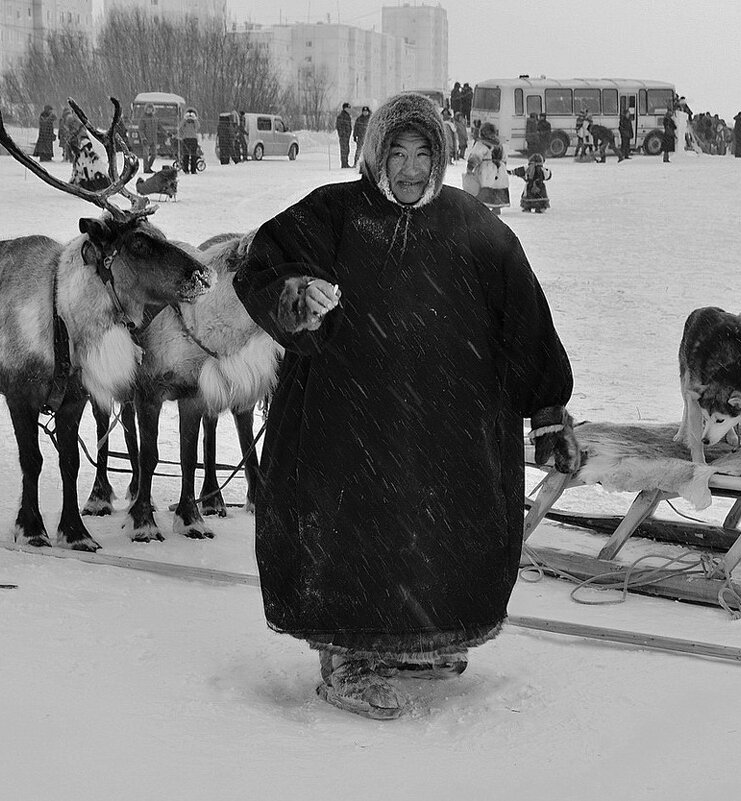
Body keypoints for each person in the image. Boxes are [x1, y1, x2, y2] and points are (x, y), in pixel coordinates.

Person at [230, 91, 578, 720]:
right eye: (398, 153)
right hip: (345, 420)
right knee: (350, 534)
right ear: (375, 157)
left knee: (437, 529)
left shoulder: (472, 223)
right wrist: (296, 296)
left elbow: (524, 318)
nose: (413, 168)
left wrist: (547, 407)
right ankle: (348, 658)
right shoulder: (336, 212)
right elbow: (264, 263)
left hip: (444, 421)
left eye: (424, 153)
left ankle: (420, 639)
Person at [464, 121, 511, 214]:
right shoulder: (499, 144)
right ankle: (497, 207)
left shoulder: (481, 144)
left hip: (487, 169)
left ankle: (482, 206)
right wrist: (502, 167)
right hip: (499, 169)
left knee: (485, 186)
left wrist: (470, 167)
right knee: (498, 186)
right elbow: (504, 158)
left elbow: (475, 156)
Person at [139, 105, 160, 173]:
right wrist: (143, 138)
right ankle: (146, 169)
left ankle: (149, 167)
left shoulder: (155, 118)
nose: (149, 110)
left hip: (153, 140)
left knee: (154, 154)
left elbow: (160, 127)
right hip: (146, 139)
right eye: (148, 109)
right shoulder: (143, 118)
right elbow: (141, 130)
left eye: (150, 109)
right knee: (146, 155)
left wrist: (167, 133)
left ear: (153, 110)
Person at [179, 107, 200, 174]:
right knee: (186, 155)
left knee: (193, 155)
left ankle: (193, 169)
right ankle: (186, 169)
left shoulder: (194, 122)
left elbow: (197, 127)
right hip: (186, 139)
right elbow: (180, 126)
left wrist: (195, 119)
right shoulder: (184, 122)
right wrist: (185, 119)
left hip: (193, 139)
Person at [335, 102, 353, 168]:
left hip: (347, 136)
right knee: (344, 150)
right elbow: (339, 126)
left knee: (347, 149)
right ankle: (344, 164)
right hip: (343, 136)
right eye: (348, 108)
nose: (349, 109)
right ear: (345, 108)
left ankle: (346, 163)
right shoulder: (341, 116)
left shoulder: (347, 116)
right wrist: (343, 134)